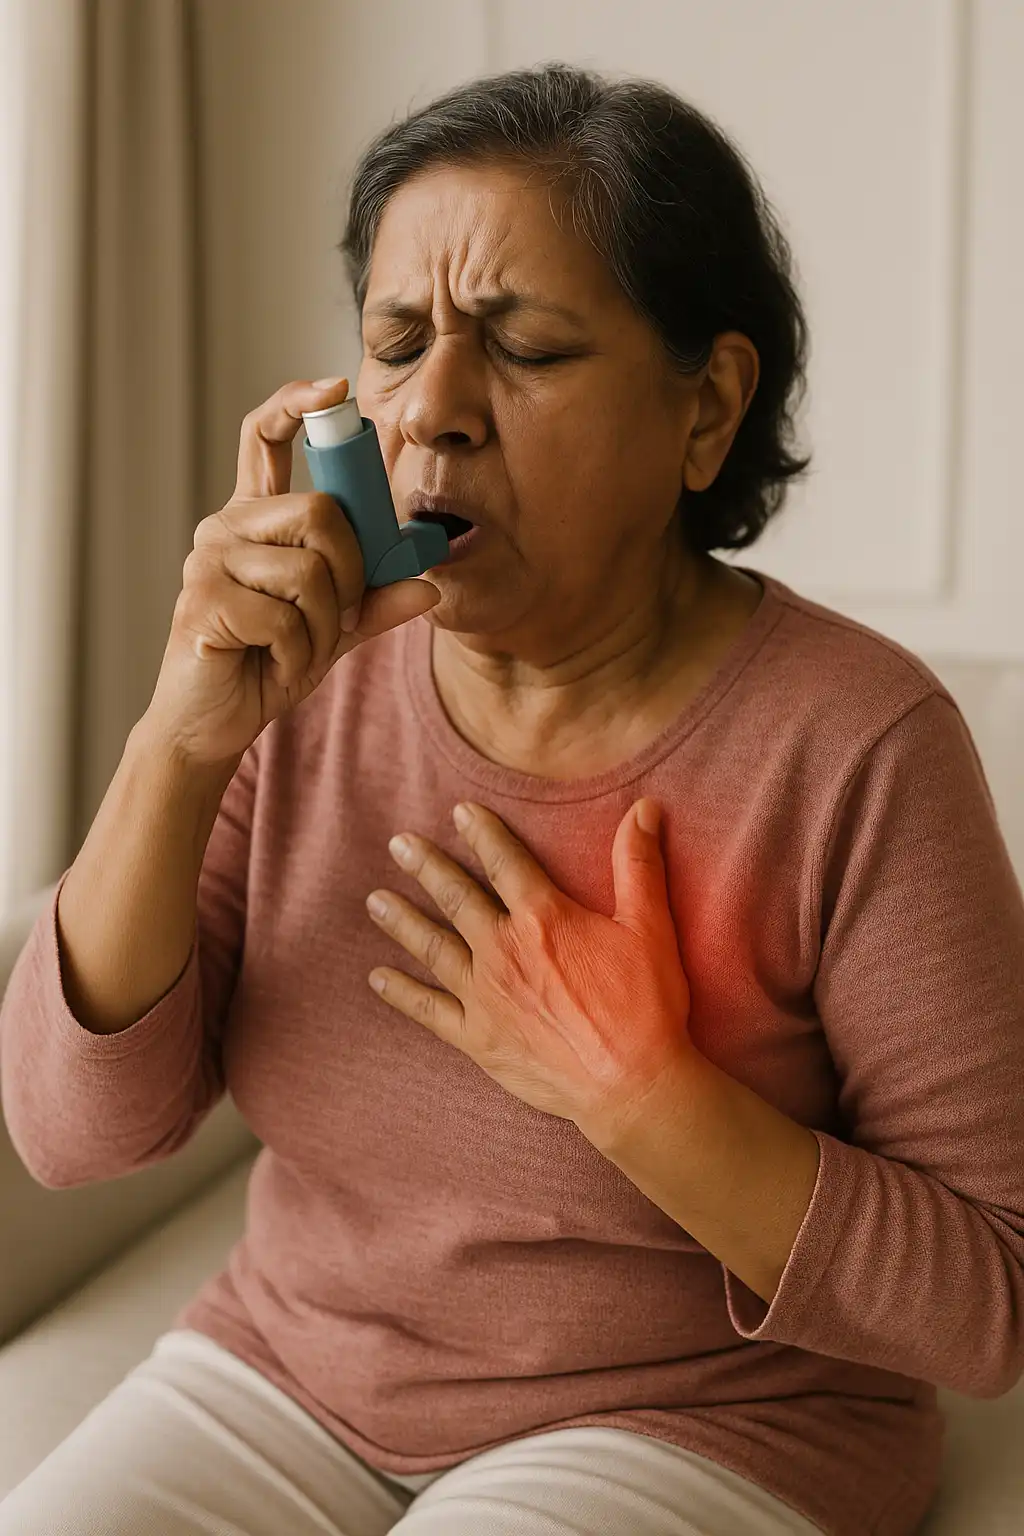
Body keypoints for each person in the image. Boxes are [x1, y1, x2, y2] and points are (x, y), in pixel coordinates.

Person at [2, 60, 1023, 1536]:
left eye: (525, 349)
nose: (435, 410)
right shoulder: (302, 686)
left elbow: (990, 1304)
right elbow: (70, 1139)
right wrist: (179, 739)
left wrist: (642, 1095)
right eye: (398, 342)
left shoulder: (859, 746)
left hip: (696, 1424)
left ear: (706, 409)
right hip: (286, 1375)